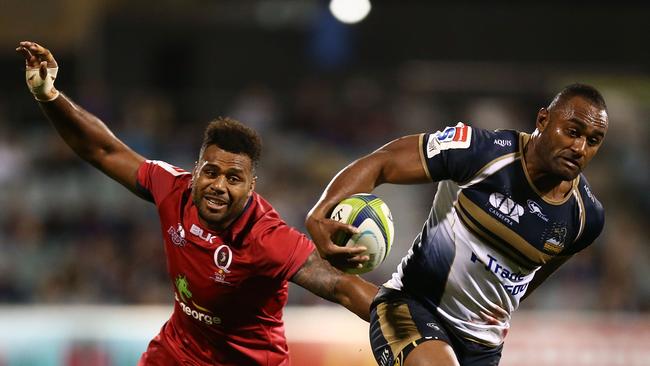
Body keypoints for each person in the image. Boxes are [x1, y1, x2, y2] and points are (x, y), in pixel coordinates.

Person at [16, 40, 378, 366]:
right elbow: (103, 149)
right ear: (195, 170)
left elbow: (340, 286)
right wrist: (48, 95)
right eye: (211, 172)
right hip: (175, 355)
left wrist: (413, 329)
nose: (218, 186)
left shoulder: (266, 237)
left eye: (233, 178)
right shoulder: (173, 188)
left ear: (251, 186)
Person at [306, 84, 608, 366]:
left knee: (337, 285)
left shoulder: (586, 218)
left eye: (593, 140)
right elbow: (383, 162)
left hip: (482, 348)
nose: (580, 147)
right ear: (543, 119)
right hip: (411, 307)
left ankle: (295, 261)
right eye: (572, 131)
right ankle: (290, 255)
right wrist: (320, 212)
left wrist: (501, 303)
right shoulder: (481, 153)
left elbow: (535, 273)